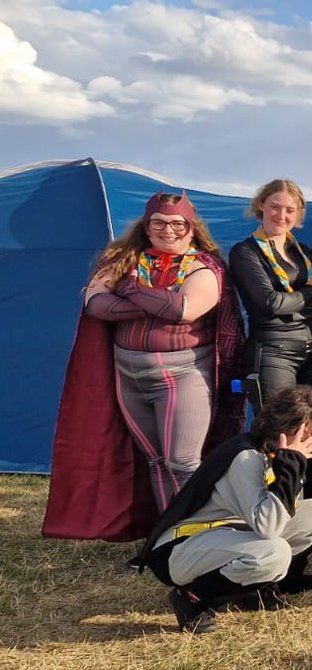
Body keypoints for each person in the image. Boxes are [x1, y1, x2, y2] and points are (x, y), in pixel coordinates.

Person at [45, 192, 245, 542]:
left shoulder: (205, 266)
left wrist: (128, 291)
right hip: (130, 372)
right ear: (147, 226)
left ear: (191, 227)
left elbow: (185, 310)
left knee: (183, 462)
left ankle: (197, 538)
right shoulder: (126, 260)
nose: (168, 230)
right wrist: (149, 301)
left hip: (184, 373)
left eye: (177, 223)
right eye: (159, 223)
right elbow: (96, 305)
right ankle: (168, 538)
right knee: (155, 461)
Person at [138, 385, 312, 634]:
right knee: (274, 552)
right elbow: (269, 527)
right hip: (180, 548)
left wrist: (290, 466)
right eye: (307, 435)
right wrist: (291, 466)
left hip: (228, 533)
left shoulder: (277, 453)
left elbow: (284, 510)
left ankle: (260, 587)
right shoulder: (246, 457)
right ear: (285, 429)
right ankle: (192, 598)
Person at [229, 179, 312, 503]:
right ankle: (280, 509)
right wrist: (309, 293)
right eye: (275, 206)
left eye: (289, 209)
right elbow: (269, 304)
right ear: (260, 206)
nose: (282, 214)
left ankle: (310, 510)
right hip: (273, 351)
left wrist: (292, 300)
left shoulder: (301, 251)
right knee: (282, 431)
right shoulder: (245, 252)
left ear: (299, 214)